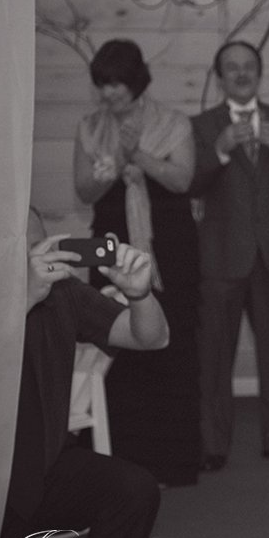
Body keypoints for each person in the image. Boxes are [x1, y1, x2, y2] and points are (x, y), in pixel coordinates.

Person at [0, 210, 165, 538]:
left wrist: (139, 294)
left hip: (42, 466)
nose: (34, 260)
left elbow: (151, 338)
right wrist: (19, 302)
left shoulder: (62, 291)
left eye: (38, 246)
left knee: (132, 490)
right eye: (20, 251)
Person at [73, 39, 201, 487]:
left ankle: (173, 461)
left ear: (136, 80)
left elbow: (183, 179)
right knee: (116, 343)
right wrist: (106, 168)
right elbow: (84, 192)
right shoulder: (90, 126)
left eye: (116, 83)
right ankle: (119, 460)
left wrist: (136, 156)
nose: (109, 93)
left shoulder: (173, 122)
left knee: (172, 346)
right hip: (109, 242)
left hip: (169, 245)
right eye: (102, 85)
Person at [189, 40, 269, 471]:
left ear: (259, 73)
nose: (241, 74)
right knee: (214, 359)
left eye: (248, 67)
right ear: (220, 76)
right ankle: (212, 446)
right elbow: (188, 183)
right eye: (232, 68)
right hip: (220, 259)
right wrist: (221, 148)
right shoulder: (203, 126)